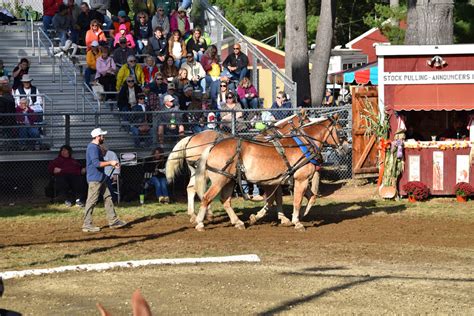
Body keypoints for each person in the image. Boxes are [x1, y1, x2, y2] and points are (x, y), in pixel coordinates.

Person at [82, 128, 127, 232]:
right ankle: (87, 225)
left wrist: (113, 162)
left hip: (100, 177)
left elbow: (101, 161)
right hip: (95, 179)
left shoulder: (95, 147)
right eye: (102, 136)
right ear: (98, 137)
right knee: (91, 201)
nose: (104, 138)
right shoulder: (92, 147)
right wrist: (111, 162)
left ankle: (113, 221)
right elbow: (97, 163)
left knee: (108, 197)